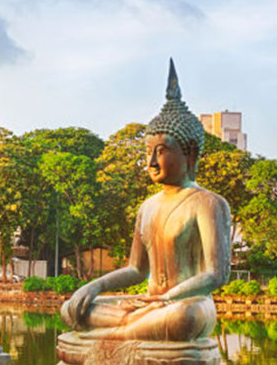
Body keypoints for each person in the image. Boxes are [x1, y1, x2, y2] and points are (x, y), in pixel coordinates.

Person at [61, 60, 231, 341]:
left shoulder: (208, 203)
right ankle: (128, 331)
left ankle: (114, 337)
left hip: (186, 305)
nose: (151, 162)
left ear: (189, 152)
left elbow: (215, 274)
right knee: (72, 309)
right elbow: (136, 269)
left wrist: (168, 299)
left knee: (181, 319)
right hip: (148, 305)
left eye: (161, 151)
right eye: (148, 152)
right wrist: (93, 287)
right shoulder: (147, 207)